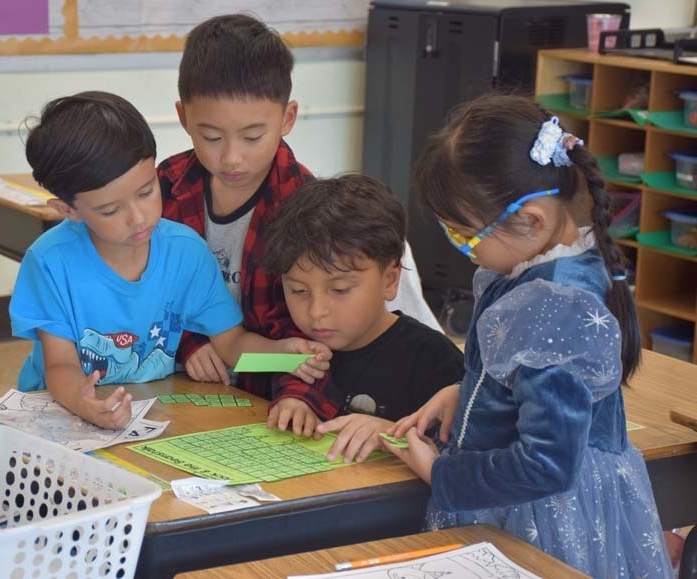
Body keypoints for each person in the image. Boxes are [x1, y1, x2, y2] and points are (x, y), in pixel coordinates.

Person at [386, 95, 672, 578]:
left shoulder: (554, 304)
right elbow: (536, 385)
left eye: (463, 234)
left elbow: (546, 464)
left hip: (541, 518)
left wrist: (440, 474)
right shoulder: (538, 269)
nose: (459, 249)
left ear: (532, 220)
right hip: (527, 503)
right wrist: (468, 392)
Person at [157, 13, 441, 433]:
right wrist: (191, 342)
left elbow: (312, 329)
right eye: (211, 137)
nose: (232, 157)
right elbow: (146, 286)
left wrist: (297, 394)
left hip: (264, 398)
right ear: (183, 118)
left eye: (253, 136)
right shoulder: (165, 187)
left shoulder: (303, 207)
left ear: (287, 117)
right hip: (175, 382)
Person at [9, 91, 329, 430]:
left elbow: (232, 345)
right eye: (110, 210)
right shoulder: (50, 262)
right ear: (67, 210)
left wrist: (280, 355)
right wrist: (84, 402)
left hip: (148, 414)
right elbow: (59, 366)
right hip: (57, 412)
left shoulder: (186, 253)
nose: (138, 217)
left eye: (147, 192)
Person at [263, 175, 463, 462]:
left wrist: (392, 435)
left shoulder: (432, 359)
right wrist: (290, 400)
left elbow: (461, 457)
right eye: (297, 290)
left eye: (340, 289)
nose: (316, 311)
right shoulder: (292, 344)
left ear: (390, 279)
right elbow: (250, 371)